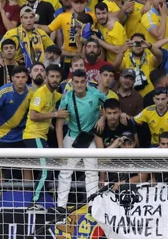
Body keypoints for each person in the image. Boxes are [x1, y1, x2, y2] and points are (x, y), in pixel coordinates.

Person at [54, 69, 107, 213]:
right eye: (76, 82)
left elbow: (112, 106)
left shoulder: (95, 94)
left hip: (89, 138)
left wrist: (102, 118)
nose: (79, 85)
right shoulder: (66, 98)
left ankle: (92, 204)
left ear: (86, 82)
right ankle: (61, 206)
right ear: (72, 83)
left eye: (82, 82)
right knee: (65, 172)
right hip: (71, 137)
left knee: (92, 172)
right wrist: (60, 148)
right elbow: (59, 125)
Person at [23, 64, 65, 209]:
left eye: (57, 77)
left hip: (42, 136)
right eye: (51, 76)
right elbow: (33, 115)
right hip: (33, 135)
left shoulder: (54, 93)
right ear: (46, 77)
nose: (54, 79)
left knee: (47, 170)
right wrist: (55, 114)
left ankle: (41, 200)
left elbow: (66, 96)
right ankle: (34, 202)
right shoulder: (40, 93)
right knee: (45, 170)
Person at [0, 65, 32, 147]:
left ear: (27, 78)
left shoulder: (32, 92)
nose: (20, 80)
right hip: (2, 137)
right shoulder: (3, 92)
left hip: (22, 137)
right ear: (12, 78)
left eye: (23, 77)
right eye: (17, 77)